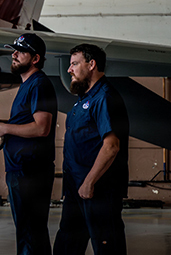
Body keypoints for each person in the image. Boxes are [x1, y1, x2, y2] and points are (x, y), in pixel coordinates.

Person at [53, 43, 129, 255]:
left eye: (74, 64)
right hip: (76, 187)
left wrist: (89, 182)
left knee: (107, 245)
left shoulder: (104, 97)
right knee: (67, 244)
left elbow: (111, 146)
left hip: (97, 189)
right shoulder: (84, 99)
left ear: (91, 64)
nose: (69, 69)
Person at [0, 33, 57, 255]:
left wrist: (6, 129)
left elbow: (42, 128)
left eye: (21, 51)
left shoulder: (39, 85)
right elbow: (28, 122)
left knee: (30, 233)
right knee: (30, 232)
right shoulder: (28, 85)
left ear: (35, 59)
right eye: (14, 50)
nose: (14, 55)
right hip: (21, 170)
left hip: (30, 172)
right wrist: (3, 123)